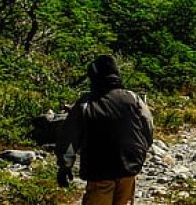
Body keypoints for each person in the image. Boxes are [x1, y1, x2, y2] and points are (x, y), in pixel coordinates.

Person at [57, 55, 154, 205]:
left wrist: (65, 166)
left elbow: (70, 137)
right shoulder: (133, 98)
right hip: (129, 167)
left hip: (99, 170)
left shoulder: (86, 103)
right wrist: (140, 152)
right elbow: (147, 126)